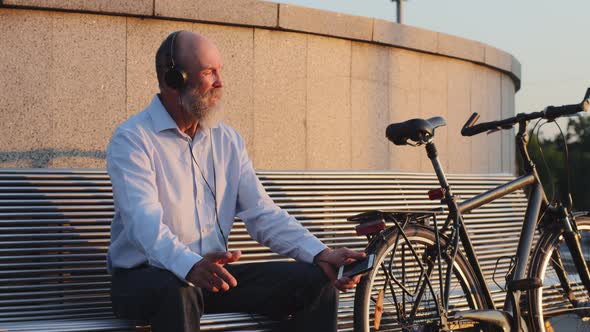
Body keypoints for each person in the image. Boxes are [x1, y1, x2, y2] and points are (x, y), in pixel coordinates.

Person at [106, 30, 366, 332]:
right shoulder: (133, 139)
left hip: (210, 277)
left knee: (316, 281)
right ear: (174, 80)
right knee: (179, 291)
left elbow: (262, 212)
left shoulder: (227, 140)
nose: (220, 82)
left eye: (220, 71)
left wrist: (320, 253)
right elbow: (144, 226)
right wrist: (189, 265)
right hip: (143, 280)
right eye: (209, 72)